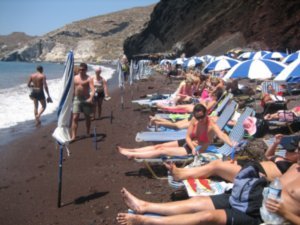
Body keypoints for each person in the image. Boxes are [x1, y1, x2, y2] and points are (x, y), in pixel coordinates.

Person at [116, 160, 300, 225]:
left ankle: (145, 220)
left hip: (263, 216)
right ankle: (144, 205)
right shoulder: (295, 167)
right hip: (252, 196)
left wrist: (285, 213)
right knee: (199, 201)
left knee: (207, 217)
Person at [165, 134, 298, 183]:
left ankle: (180, 175)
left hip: (256, 175)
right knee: (218, 164)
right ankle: (185, 173)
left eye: (291, 150)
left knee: (216, 166)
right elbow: (268, 156)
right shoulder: (285, 159)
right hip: (252, 165)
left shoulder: (295, 169)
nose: (287, 150)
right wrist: (275, 143)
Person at [118, 103, 235, 159]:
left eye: (201, 117)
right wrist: (192, 145)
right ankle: (131, 150)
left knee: (162, 150)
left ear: (206, 114)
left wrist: (231, 144)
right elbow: (188, 137)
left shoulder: (211, 125)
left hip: (192, 150)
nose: (199, 120)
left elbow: (222, 135)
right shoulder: (195, 119)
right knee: (160, 146)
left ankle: (134, 155)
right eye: (197, 117)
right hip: (189, 143)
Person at [71, 63, 95, 141]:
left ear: (86, 70)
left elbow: (93, 90)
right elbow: (71, 89)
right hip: (77, 99)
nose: (81, 71)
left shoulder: (89, 78)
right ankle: (73, 136)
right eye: (80, 69)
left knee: (87, 118)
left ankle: (87, 132)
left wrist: (91, 97)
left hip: (86, 99)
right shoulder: (74, 78)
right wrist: (70, 99)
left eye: (83, 69)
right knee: (75, 118)